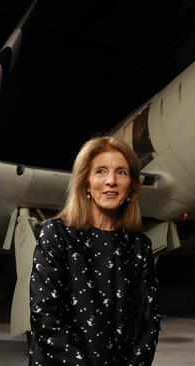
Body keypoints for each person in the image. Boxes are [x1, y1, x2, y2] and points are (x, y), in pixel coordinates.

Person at [28, 136, 161, 365]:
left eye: (121, 172)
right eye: (100, 171)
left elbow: (149, 323)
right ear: (85, 182)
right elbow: (45, 317)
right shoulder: (55, 235)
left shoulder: (140, 246)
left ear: (131, 186)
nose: (111, 180)